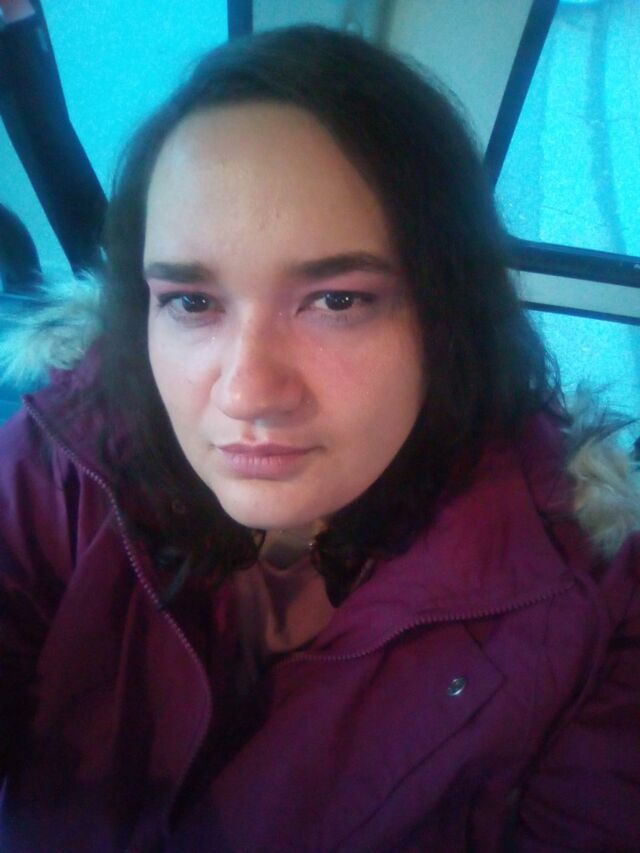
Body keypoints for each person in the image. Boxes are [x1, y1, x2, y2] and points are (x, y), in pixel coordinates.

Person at [0, 24, 638, 853]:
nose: (246, 391)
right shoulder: (69, 455)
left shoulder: (594, 615)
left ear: (446, 314)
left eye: (337, 300)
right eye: (192, 302)